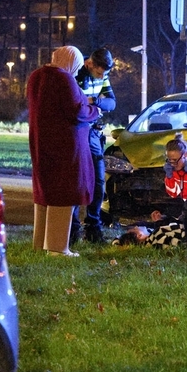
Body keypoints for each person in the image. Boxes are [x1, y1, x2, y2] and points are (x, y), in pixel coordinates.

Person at [27, 46, 101, 257]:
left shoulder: (36, 77)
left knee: (46, 194)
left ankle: (41, 243)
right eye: (76, 66)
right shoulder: (63, 78)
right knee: (64, 192)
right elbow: (76, 110)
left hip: (42, 142)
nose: (76, 72)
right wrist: (95, 111)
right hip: (66, 146)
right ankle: (58, 247)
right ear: (70, 62)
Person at [71, 47, 116, 244]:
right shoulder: (75, 76)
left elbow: (112, 103)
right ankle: (72, 228)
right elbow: (76, 106)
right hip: (78, 132)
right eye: (99, 73)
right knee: (76, 180)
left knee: (98, 181)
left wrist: (94, 100)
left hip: (94, 134)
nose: (102, 77)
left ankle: (93, 227)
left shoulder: (102, 76)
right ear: (89, 64)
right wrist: (95, 104)